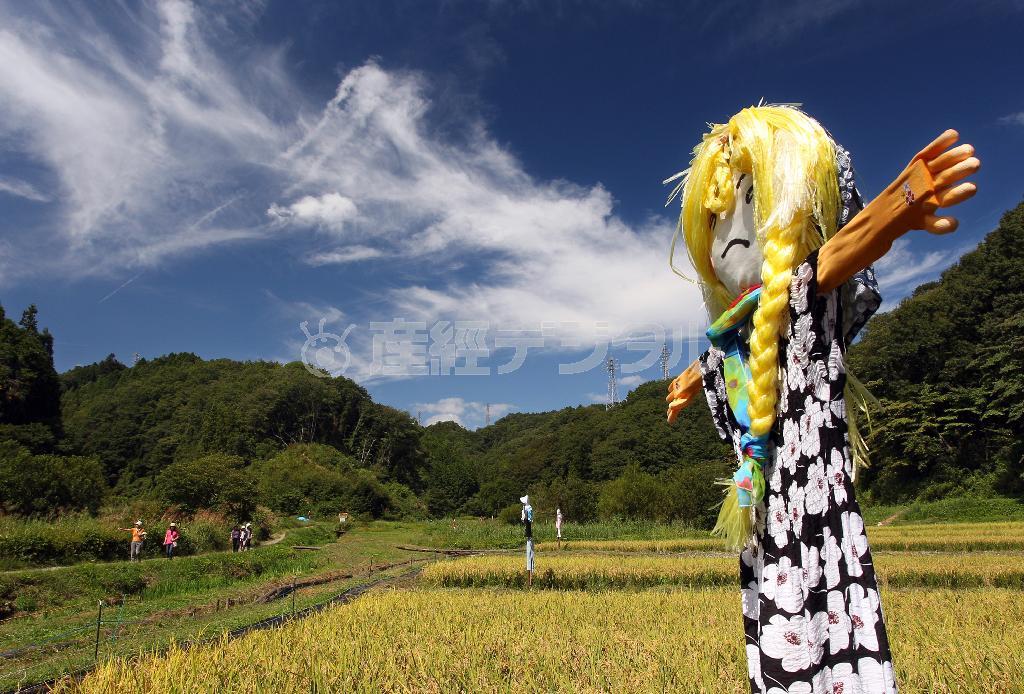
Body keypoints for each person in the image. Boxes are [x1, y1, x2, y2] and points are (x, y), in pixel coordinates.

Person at [664, 106, 978, 693]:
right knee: (778, 658)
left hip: (819, 527)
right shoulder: (735, 338)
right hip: (766, 538)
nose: (733, 236)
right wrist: (687, 380)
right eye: (719, 219)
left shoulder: (806, 295)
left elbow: (843, 252)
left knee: (832, 659)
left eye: (751, 204)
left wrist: (899, 202)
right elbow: (720, 357)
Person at [520, 495, 534, 587]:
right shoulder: (527, 507)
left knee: (528, 530)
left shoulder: (528, 508)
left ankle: (529, 582)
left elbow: (529, 517)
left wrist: (525, 518)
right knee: (527, 530)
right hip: (527, 521)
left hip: (528, 521)